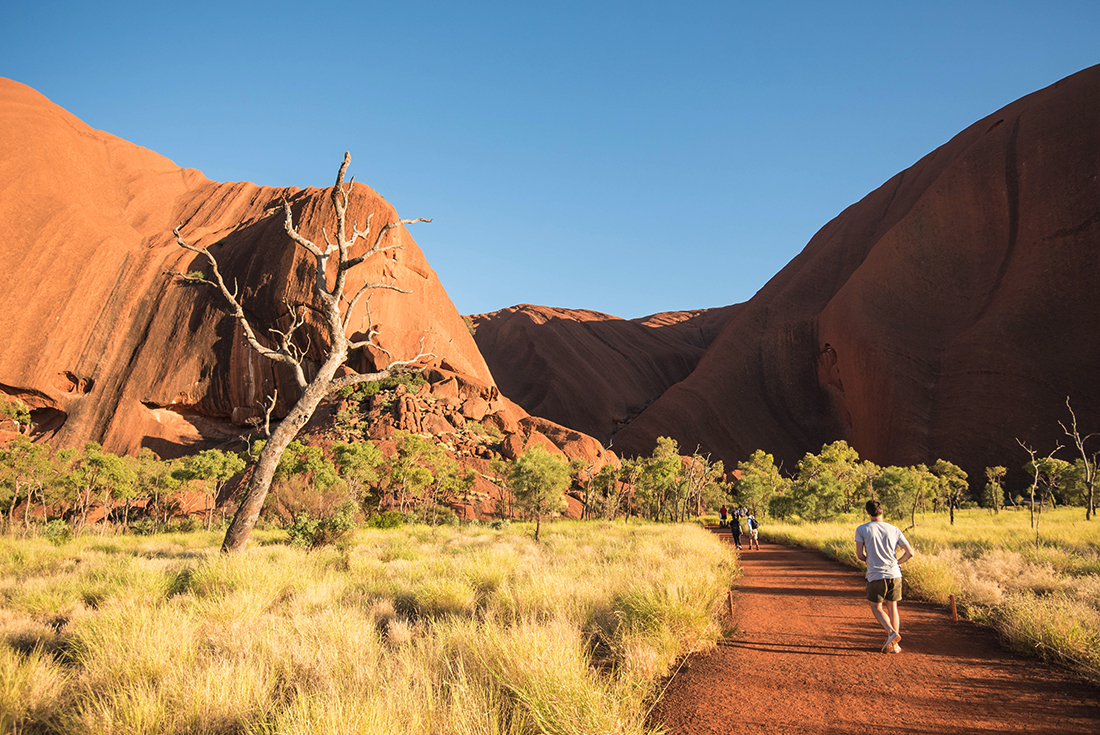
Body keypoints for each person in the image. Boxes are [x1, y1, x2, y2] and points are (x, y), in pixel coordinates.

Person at [855, 499, 916, 653]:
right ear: (882, 511)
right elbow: (910, 553)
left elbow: (859, 555)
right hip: (895, 573)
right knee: (892, 607)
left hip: (876, 575)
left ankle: (891, 633)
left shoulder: (862, 529)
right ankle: (894, 645)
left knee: (876, 607)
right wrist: (897, 563)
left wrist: (869, 560)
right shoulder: (894, 529)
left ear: (868, 513)